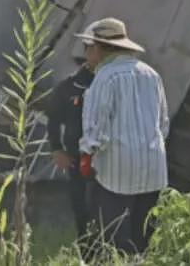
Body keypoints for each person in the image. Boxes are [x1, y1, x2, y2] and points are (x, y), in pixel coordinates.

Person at [78, 17, 169, 256]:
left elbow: (96, 131)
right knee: (144, 236)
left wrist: (87, 154)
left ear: (99, 48)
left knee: (115, 235)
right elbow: (163, 124)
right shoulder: (151, 74)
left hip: (118, 170)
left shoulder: (105, 76)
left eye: (88, 48)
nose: (86, 55)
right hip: (153, 166)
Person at [44, 25, 98, 258]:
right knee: (82, 212)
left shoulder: (115, 82)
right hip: (78, 160)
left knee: (108, 213)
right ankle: (88, 257)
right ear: (87, 51)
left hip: (109, 159)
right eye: (96, 49)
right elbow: (53, 119)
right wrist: (56, 149)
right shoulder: (70, 86)